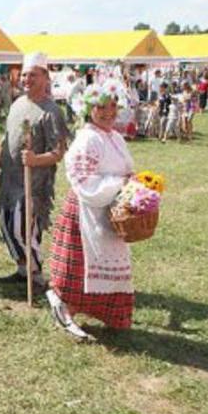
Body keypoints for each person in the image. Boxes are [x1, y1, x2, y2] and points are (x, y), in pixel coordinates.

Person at [46, 83, 135, 340]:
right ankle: (65, 307)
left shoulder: (114, 137)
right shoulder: (87, 138)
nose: (108, 112)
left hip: (111, 211)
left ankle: (108, 312)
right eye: (100, 107)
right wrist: (121, 183)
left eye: (112, 106)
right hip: (88, 211)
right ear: (88, 109)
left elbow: (124, 169)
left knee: (109, 261)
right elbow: (84, 182)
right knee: (81, 267)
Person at [0, 52, 70, 290]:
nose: (26, 79)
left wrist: (34, 159)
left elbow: (59, 152)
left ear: (45, 77)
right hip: (9, 179)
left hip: (34, 183)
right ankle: (24, 270)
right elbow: (6, 139)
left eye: (33, 74)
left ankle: (36, 273)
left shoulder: (52, 111)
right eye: (24, 74)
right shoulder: (17, 104)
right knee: (5, 224)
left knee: (21, 229)